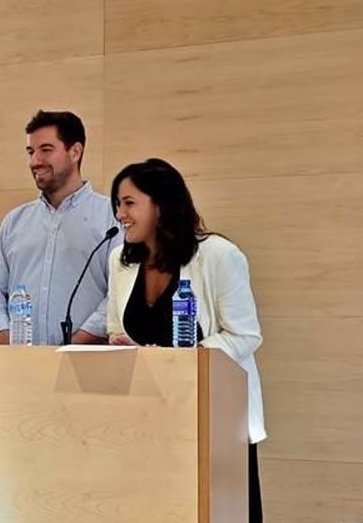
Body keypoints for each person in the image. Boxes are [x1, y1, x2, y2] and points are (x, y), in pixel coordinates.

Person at [105, 158, 265, 522]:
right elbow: (117, 329)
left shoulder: (219, 256)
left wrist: (183, 358)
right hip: (147, 417)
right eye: (118, 203)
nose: (120, 214)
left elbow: (245, 335)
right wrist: (122, 347)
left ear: (160, 206)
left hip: (214, 417)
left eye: (129, 203)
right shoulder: (120, 261)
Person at [0, 110, 120, 345]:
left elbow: (118, 294)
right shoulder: (14, 222)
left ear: (75, 152)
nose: (35, 161)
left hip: (88, 365)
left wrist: (71, 348)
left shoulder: (111, 218)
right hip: (19, 367)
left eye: (45, 150)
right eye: (30, 152)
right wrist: (14, 351)